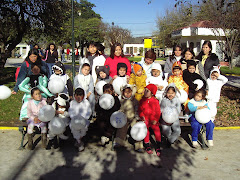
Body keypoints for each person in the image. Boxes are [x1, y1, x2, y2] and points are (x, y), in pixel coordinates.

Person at [113, 84, 144, 152]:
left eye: (129, 92)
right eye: (126, 92)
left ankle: (138, 144)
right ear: (123, 92)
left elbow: (136, 109)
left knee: (137, 128)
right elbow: (119, 109)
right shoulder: (121, 100)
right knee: (121, 128)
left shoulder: (134, 100)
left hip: (133, 118)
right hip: (124, 118)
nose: (127, 94)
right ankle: (119, 141)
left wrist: (137, 117)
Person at [139, 84, 161, 156]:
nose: (145, 92)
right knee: (145, 130)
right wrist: (142, 116)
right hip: (146, 119)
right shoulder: (142, 100)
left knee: (156, 130)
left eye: (147, 91)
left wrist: (156, 119)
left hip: (153, 119)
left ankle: (158, 145)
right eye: (145, 90)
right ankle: (147, 144)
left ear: (152, 93)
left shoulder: (155, 101)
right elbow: (140, 110)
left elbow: (158, 112)